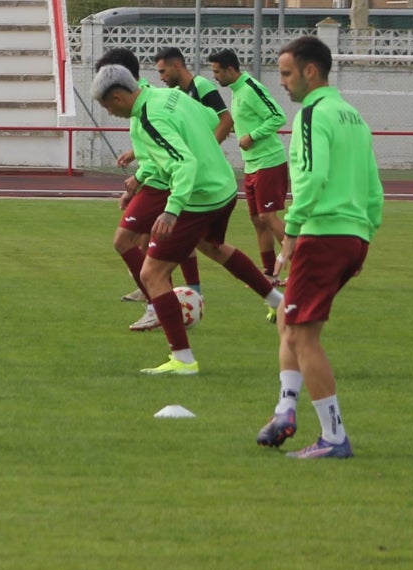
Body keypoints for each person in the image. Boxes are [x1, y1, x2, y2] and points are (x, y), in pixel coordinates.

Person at [91, 64, 283, 376]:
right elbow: (209, 120)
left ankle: (182, 359)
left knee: (153, 273)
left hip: (200, 195)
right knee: (213, 246)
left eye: (106, 106)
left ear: (117, 97)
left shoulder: (148, 118)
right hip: (223, 185)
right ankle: (277, 300)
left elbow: (183, 163)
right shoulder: (170, 96)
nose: (109, 113)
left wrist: (172, 208)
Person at [255, 36, 383, 459]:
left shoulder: (313, 114)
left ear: (311, 72)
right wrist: (363, 237)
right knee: (288, 320)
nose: (283, 84)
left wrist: (291, 234)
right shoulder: (352, 116)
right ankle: (285, 409)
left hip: (322, 232)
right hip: (351, 235)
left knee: (302, 335)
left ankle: (333, 438)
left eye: (287, 74)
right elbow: (373, 187)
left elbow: (311, 179)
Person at [96, 48, 205, 331]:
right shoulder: (144, 100)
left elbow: (215, 122)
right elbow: (153, 148)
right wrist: (136, 178)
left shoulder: (148, 103)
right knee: (147, 243)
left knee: (134, 243)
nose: (108, 109)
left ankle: (159, 303)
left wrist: (143, 179)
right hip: (159, 179)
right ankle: (166, 298)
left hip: (166, 182)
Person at [207, 49, 289, 282]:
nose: (215, 77)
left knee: (268, 216)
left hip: (269, 161)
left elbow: (277, 116)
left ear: (231, 70)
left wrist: (252, 136)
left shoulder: (251, 88)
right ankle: (270, 273)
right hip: (252, 164)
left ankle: (303, 268)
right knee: (257, 220)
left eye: (217, 72)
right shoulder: (236, 91)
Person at [154, 46, 234, 143]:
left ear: (176, 65)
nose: (161, 78)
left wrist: (208, 148)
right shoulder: (177, 93)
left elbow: (226, 120)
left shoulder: (201, 85)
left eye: (163, 71)